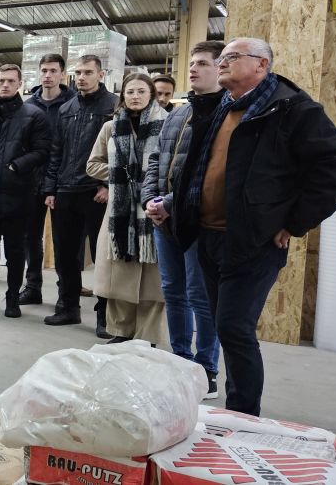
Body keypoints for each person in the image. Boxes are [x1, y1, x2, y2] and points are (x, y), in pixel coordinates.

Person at [173, 38, 336, 416]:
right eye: (221, 58)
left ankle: (242, 417)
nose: (222, 63)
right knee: (224, 326)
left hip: (253, 241)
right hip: (208, 235)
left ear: (261, 64)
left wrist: (294, 221)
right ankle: (233, 412)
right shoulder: (220, 106)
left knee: (234, 329)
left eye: (232, 57)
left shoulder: (292, 109)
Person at [142, 40, 225, 400]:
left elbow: (211, 175)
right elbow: (156, 159)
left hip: (199, 221)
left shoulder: (226, 114)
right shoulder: (178, 113)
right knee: (173, 292)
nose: (193, 68)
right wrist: (149, 199)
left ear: (221, 68)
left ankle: (206, 370)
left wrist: (168, 203)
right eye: (192, 63)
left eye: (203, 63)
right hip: (165, 220)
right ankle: (180, 361)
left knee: (200, 296)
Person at [85, 73, 167, 345]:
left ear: (151, 94)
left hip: (154, 209)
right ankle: (121, 332)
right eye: (130, 92)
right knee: (119, 276)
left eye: (141, 91)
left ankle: (147, 336)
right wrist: (121, 174)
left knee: (152, 281)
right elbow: (92, 165)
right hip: (119, 212)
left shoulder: (167, 124)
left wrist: (149, 180)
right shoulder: (111, 127)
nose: (135, 96)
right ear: (123, 96)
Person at [43, 54, 118, 338]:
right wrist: (50, 189)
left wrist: (107, 185)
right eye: (78, 73)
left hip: (96, 193)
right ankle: (68, 307)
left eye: (88, 72)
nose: (82, 78)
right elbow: (56, 152)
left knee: (103, 257)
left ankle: (105, 316)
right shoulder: (67, 108)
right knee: (65, 255)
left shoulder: (113, 106)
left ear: (101, 74)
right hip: (65, 190)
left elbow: (119, 150)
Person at [0, 64, 51, 318]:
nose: (5, 85)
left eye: (10, 81)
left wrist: (17, 165)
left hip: (19, 194)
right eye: (1, 80)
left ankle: (12, 299)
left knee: (15, 250)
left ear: (20, 84)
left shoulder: (34, 115)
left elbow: (43, 151)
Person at [21, 53, 76, 306]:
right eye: (44, 70)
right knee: (30, 236)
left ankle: (66, 291)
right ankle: (32, 287)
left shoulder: (74, 103)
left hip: (63, 181)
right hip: (32, 180)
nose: (48, 75)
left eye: (53, 71)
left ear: (62, 74)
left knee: (64, 240)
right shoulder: (28, 105)